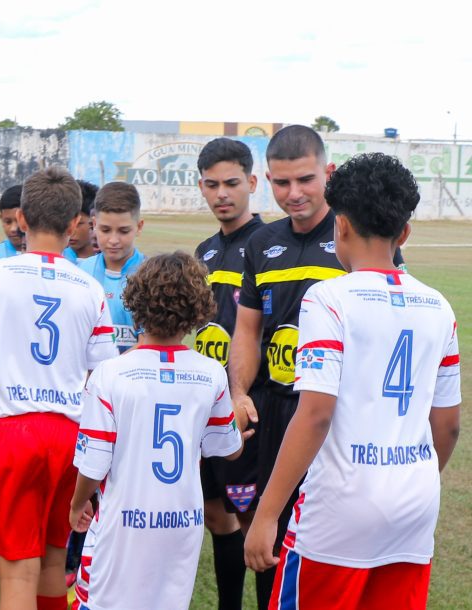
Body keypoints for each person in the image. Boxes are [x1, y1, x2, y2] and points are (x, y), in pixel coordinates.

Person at [245, 153, 461, 609]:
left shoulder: (329, 298)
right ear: (404, 233)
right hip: (415, 504)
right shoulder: (439, 306)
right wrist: (407, 479)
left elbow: (316, 414)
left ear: (339, 226)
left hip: (340, 507)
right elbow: (448, 426)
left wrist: (267, 514)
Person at [227, 125, 404, 608]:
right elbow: (247, 330)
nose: (294, 193)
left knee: (329, 539)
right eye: (281, 183)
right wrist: (240, 391)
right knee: (271, 535)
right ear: (267, 181)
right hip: (273, 411)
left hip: (332, 417)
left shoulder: (358, 236)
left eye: (305, 180)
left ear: (327, 173)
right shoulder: (261, 244)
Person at [0, 166, 118, 609]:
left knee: (17, 567)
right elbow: (105, 377)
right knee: (52, 559)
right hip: (68, 435)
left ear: (20, 218)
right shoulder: (90, 287)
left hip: (11, 432)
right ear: (76, 221)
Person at [69, 252, 245, 610]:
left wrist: (77, 503)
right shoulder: (211, 373)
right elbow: (228, 449)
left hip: (124, 521)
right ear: (198, 309)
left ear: (135, 303)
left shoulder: (111, 373)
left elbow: (93, 463)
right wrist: (239, 426)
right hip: (182, 521)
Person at [194, 137, 264, 609]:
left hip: (252, 406)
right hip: (207, 406)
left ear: (252, 183)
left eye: (232, 184)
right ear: (201, 187)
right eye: (213, 185)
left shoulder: (269, 245)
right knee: (217, 516)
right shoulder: (203, 251)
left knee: (256, 517)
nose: (223, 194)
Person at [77, 182, 145, 353]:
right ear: (93, 225)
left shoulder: (150, 276)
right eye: (105, 230)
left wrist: (109, 371)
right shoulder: (80, 273)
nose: (113, 240)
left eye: (123, 231)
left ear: (139, 227)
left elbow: (148, 343)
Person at [63, 180, 97, 262]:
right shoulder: (59, 259)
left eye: (78, 223)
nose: (71, 230)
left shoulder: (109, 261)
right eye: (65, 222)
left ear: (94, 222)